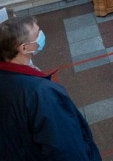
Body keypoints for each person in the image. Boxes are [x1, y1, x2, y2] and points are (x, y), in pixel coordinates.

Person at [0, 16, 102, 160]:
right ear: (24, 48)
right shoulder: (41, 93)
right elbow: (65, 147)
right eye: (37, 34)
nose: (41, 35)